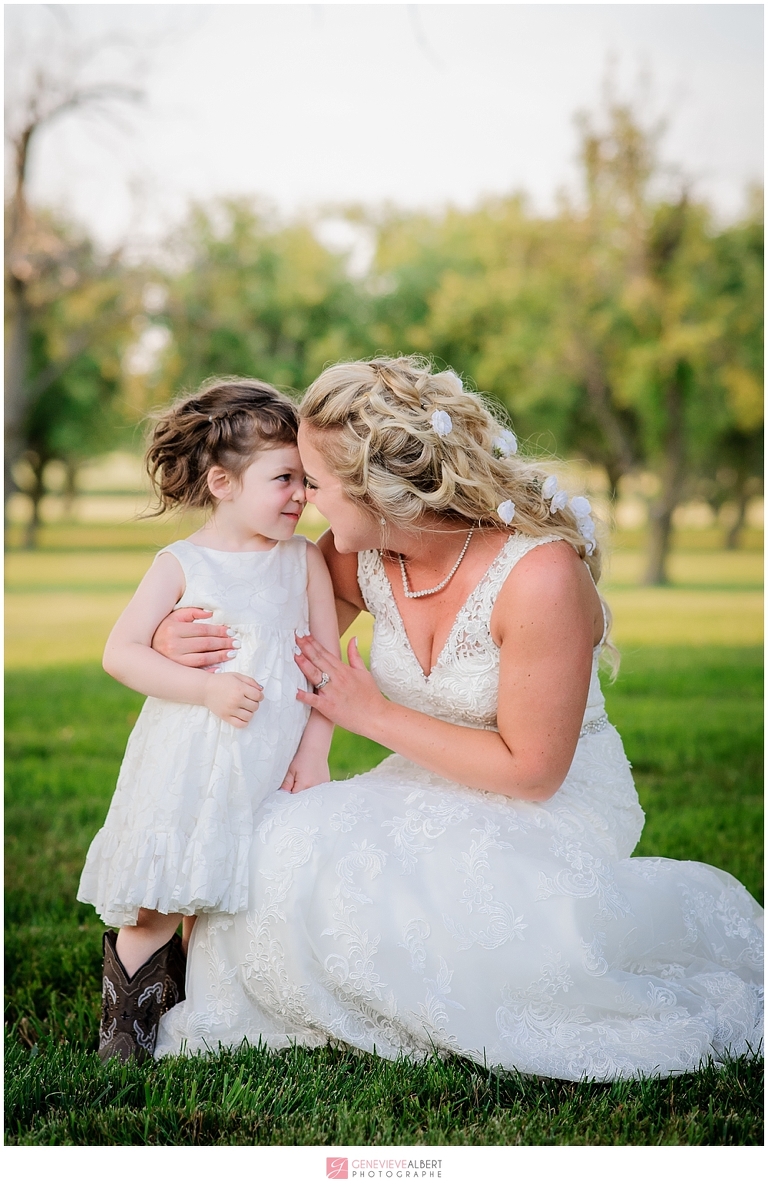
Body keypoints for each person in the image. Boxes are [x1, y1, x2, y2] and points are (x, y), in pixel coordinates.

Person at [151, 358, 762, 1080]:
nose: (307, 502)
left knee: (443, 917)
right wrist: (166, 642)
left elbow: (533, 772)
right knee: (277, 844)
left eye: (316, 482)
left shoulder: (540, 578)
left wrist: (371, 715)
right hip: (419, 780)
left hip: (545, 802)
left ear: (378, 488)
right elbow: (264, 637)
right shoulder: (358, 556)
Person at [77, 378, 338, 1062]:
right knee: (163, 892)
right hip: (188, 759)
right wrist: (206, 693)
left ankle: (197, 1000)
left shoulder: (304, 561)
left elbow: (324, 669)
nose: (302, 496)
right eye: (284, 478)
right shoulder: (182, 564)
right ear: (222, 482)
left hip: (266, 761)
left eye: (307, 481)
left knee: (229, 892)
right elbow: (121, 653)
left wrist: (314, 753)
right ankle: (124, 1028)